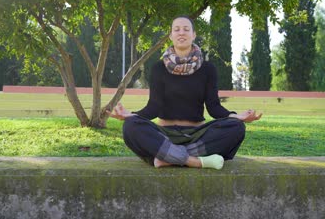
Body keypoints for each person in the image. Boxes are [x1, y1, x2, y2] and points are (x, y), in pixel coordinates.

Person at [108, 16, 262, 170]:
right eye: (177, 29)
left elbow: (214, 108)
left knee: (236, 128)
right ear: (171, 36)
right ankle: (193, 161)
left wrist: (236, 117)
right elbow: (153, 107)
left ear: (194, 34)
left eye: (186, 29)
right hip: (165, 134)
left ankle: (167, 157)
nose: (181, 33)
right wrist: (131, 115)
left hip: (197, 135)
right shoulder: (158, 68)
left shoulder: (208, 69)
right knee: (131, 127)